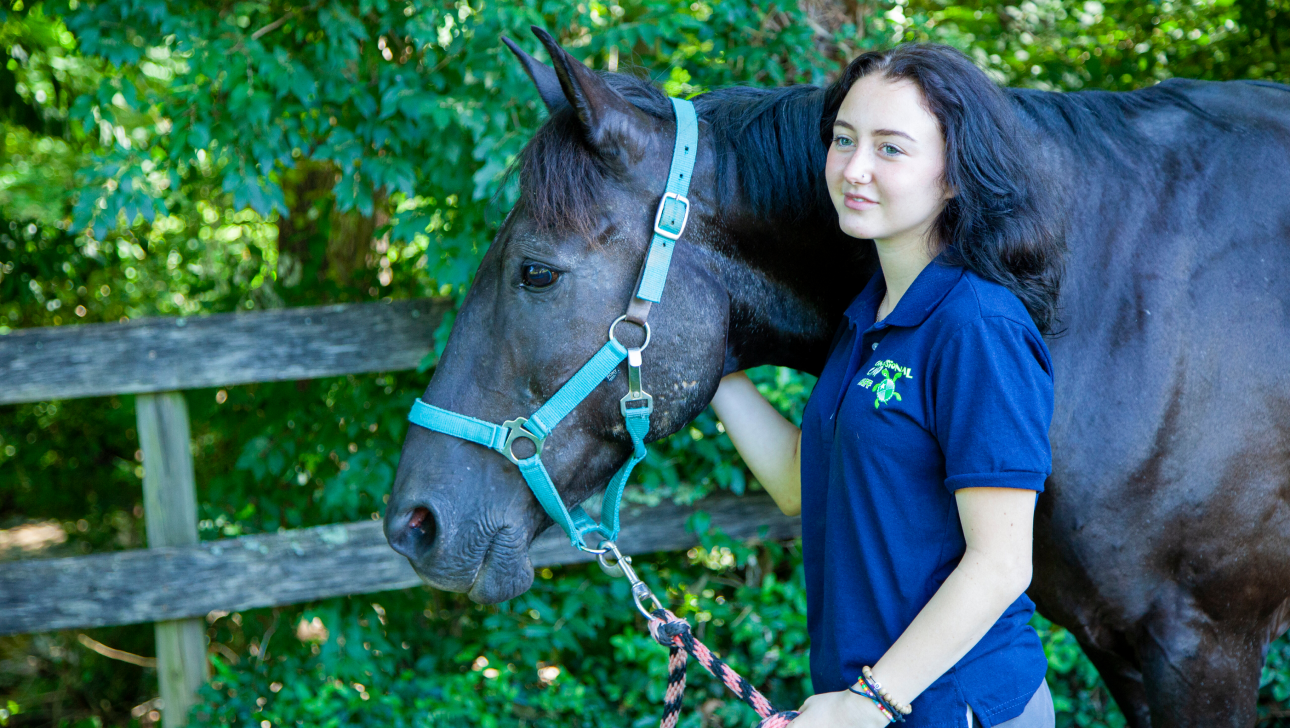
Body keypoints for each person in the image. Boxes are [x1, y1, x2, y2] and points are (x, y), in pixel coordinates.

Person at [710, 44, 1064, 728]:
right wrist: (716, 372)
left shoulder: (976, 327)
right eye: (844, 140)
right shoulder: (868, 316)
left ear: (955, 175)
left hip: (954, 708)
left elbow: (999, 565)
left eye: (890, 148)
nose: (855, 169)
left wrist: (868, 704)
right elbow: (802, 482)